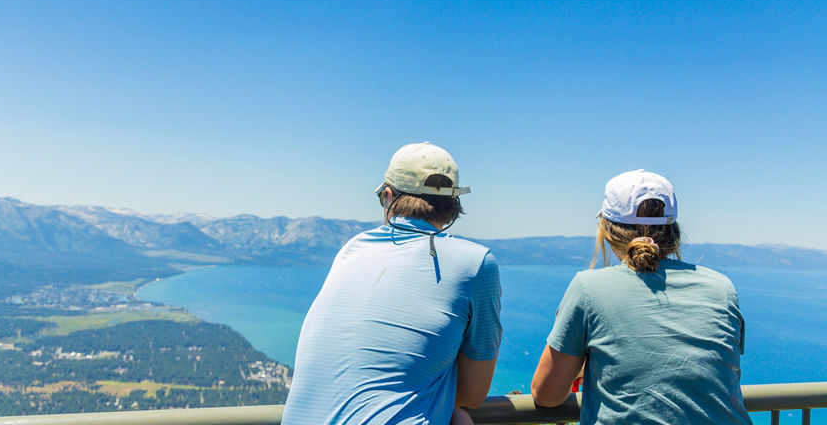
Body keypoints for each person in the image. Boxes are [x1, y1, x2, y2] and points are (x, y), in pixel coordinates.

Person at [282, 142, 502, 425]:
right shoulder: (476, 263)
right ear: (454, 204)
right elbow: (471, 396)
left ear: (388, 196)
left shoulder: (353, 248)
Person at [531, 169, 752, 424]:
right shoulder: (721, 287)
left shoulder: (588, 288)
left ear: (607, 230)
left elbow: (545, 395)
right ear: (674, 232)